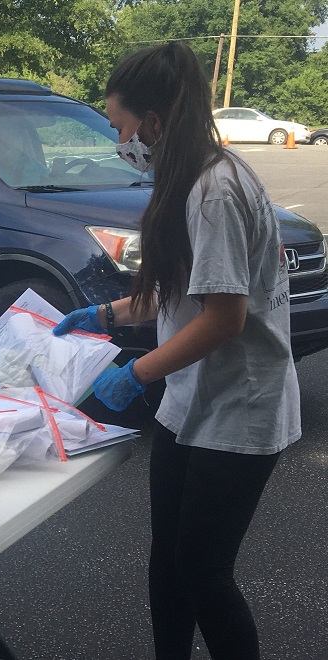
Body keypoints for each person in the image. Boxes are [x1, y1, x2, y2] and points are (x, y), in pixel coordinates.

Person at [54, 42, 300, 659]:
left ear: (154, 122)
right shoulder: (190, 178)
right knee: (168, 565)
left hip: (239, 409)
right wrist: (107, 315)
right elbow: (179, 297)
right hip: (189, 404)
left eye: (119, 126)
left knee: (203, 573)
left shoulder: (214, 189)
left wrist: (135, 372)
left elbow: (224, 317)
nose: (119, 142)